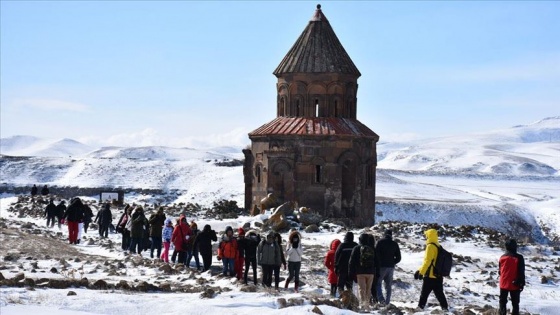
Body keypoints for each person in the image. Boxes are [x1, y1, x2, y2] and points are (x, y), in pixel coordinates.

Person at [415, 228, 449, 311]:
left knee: (424, 293)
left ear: (429, 236)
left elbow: (428, 261)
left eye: (426, 235)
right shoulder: (438, 246)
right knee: (439, 294)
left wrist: (421, 272)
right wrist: (419, 270)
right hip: (438, 275)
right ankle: (445, 308)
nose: (425, 237)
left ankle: (420, 308)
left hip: (430, 275)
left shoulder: (430, 246)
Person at [349, 233, 376, 309]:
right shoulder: (372, 248)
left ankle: (362, 305)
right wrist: (376, 273)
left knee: (361, 289)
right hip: (371, 272)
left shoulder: (356, 248)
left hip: (360, 272)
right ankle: (367, 304)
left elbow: (351, 261)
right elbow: (377, 261)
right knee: (368, 289)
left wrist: (351, 272)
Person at [499, 239, 526, 315]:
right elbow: (521, 271)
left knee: (502, 302)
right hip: (515, 284)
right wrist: (522, 283)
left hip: (503, 283)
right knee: (515, 303)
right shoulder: (519, 257)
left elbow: (500, 271)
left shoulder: (502, 257)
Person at [375, 229, 401, 305]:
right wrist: (393, 262)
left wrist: (378, 264)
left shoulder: (380, 242)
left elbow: (376, 255)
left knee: (378, 283)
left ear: (384, 234)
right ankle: (387, 302)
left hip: (381, 267)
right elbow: (399, 258)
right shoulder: (394, 244)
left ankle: (381, 300)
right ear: (391, 235)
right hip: (391, 267)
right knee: (388, 286)